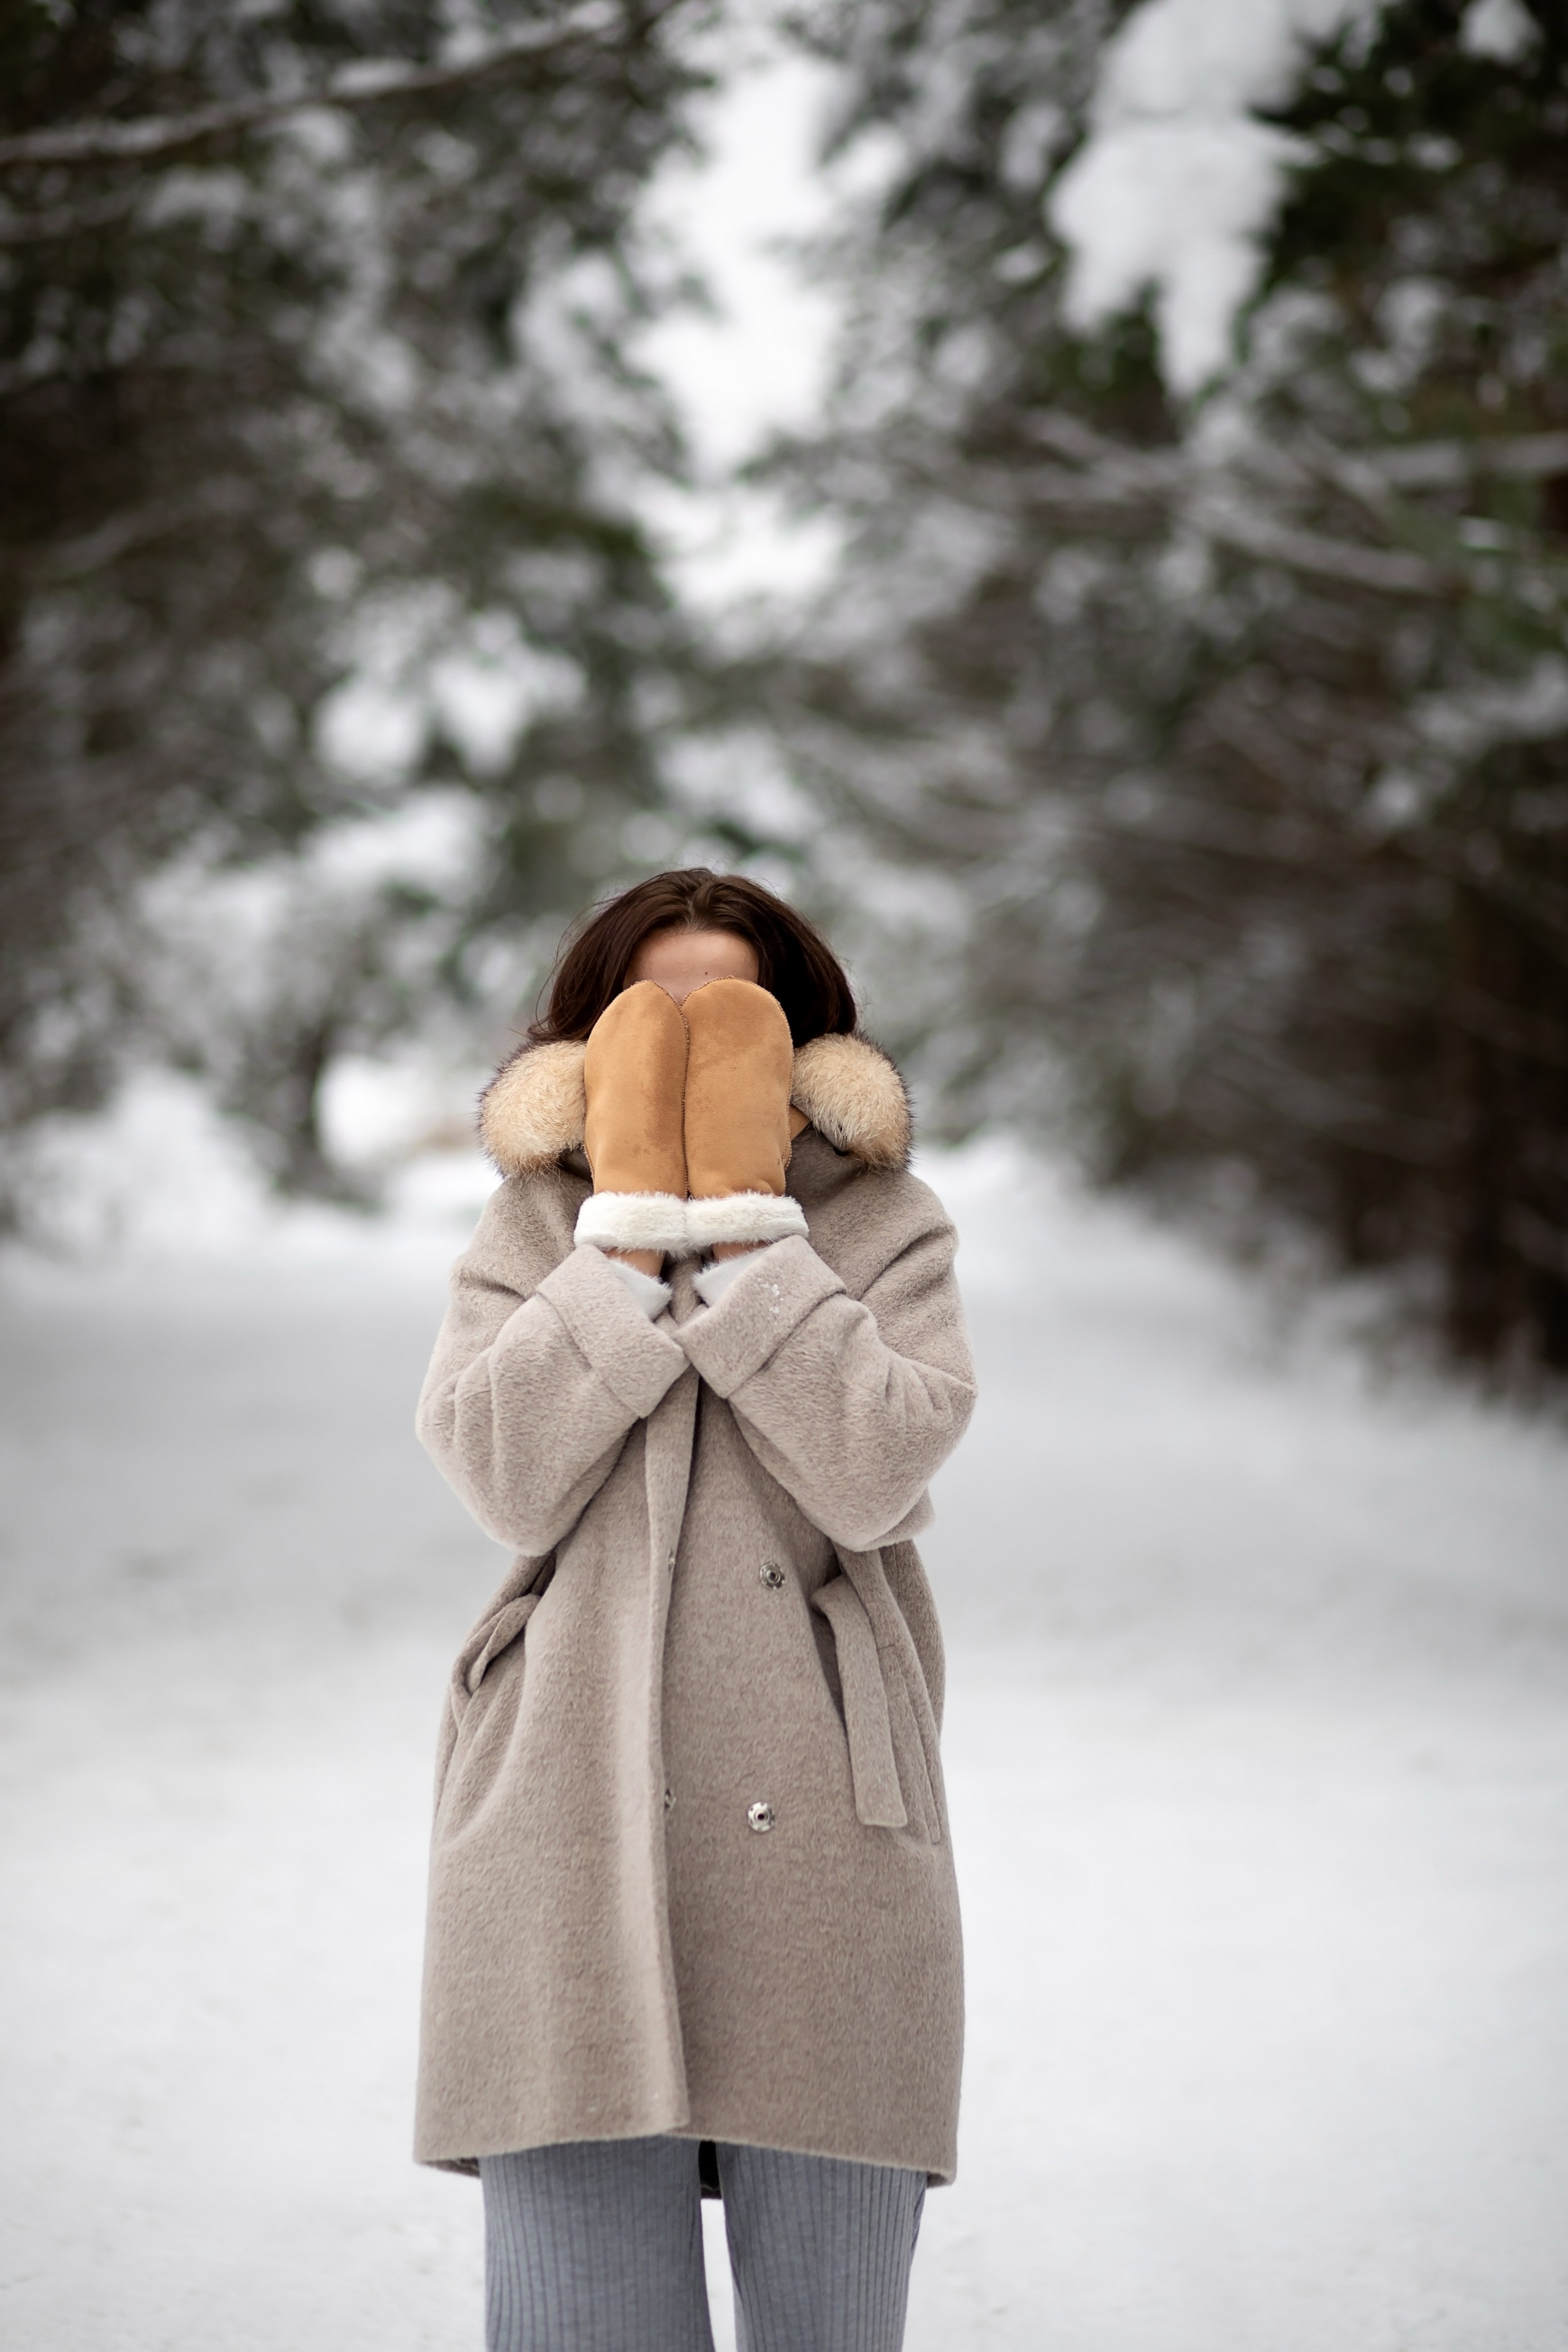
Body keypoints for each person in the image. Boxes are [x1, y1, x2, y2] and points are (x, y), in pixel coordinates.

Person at [413, 868, 976, 2352]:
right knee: (575, 2322)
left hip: (826, 1823)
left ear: (800, 1045)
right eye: (645, 1010)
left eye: (722, 1009)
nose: (681, 1037)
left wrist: (743, 1240)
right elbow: (500, 1475)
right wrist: (619, 1254)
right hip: (564, 1807)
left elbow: (875, 1470)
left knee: (830, 2323)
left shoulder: (883, 1222)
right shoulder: (533, 1220)